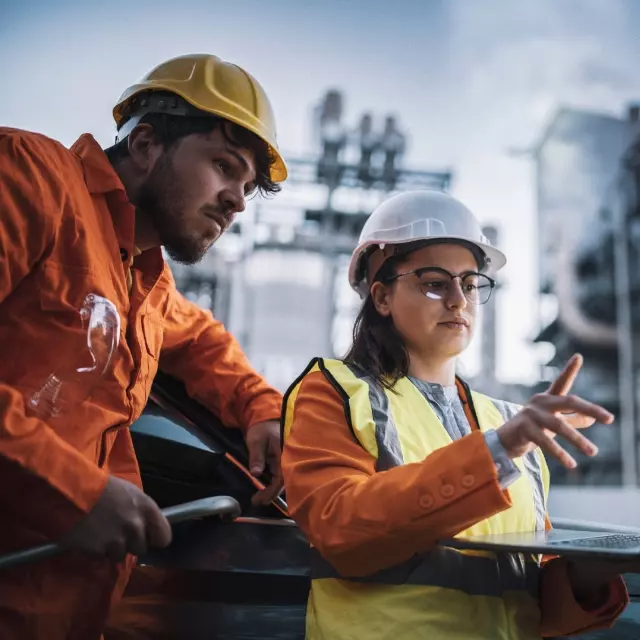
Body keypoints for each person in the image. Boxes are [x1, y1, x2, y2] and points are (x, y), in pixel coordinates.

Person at [0, 53, 287, 639]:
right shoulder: (29, 178)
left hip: (66, 609)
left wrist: (264, 408)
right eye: (223, 166)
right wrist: (74, 492)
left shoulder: (146, 280)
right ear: (147, 144)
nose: (236, 201)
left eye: (247, 187)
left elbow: (203, 342)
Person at [281, 190, 633, 639]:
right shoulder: (335, 392)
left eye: (469, 284)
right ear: (382, 297)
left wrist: (595, 571)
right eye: (434, 282)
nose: (458, 300)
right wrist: (498, 450)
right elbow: (341, 531)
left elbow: (524, 599)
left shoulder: (509, 424)